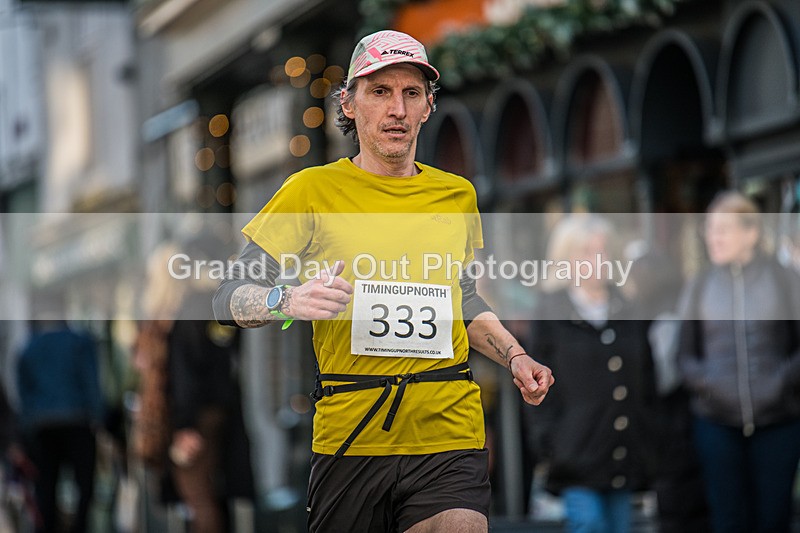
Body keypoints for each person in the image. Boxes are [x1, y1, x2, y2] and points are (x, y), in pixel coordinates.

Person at [213, 29, 554, 532]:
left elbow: (460, 299)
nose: (397, 109)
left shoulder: (456, 194)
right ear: (349, 104)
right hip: (352, 435)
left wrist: (515, 355)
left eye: (411, 93)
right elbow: (227, 296)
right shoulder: (313, 189)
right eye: (380, 92)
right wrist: (288, 299)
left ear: (428, 108)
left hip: (447, 430)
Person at [523, 214, 659, 533]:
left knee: (620, 528)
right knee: (590, 525)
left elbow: (646, 381)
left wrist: (649, 437)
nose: (597, 260)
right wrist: (549, 444)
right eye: (586, 251)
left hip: (623, 452)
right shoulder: (549, 312)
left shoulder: (628, 309)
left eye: (603, 251)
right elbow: (534, 382)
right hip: (574, 456)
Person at [676, 191, 800, 533]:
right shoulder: (700, 284)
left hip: (779, 421)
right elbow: (684, 356)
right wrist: (709, 383)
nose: (713, 237)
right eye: (710, 229)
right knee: (727, 519)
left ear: (751, 233)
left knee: (773, 518)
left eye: (723, 229)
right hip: (716, 423)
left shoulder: (783, 279)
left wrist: (781, 381)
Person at [16, 319, 104, 533]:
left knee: (45, 489)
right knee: (84, 487)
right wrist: (101, 419)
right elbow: (92, 383)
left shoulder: (29, 347)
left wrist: (27, 426)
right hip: (77, 421)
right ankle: (80, 527)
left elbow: (23, 393)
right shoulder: (80, 342)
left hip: (42, 426)